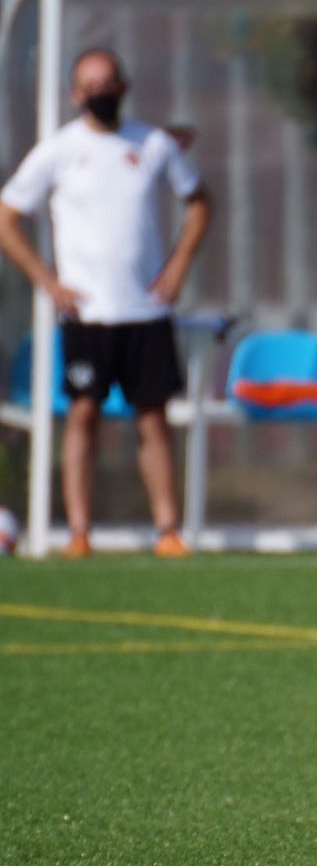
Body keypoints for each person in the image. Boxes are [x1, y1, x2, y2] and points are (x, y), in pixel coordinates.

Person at [0, 47, 211, 558]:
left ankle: (167, 530)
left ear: (125, 86)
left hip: (145, 309)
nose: (99, 94)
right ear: (75, 95)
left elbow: (199, 201)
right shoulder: (58, 151)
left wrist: (180, 263)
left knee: (153, 418)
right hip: (87, 312)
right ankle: (78, 532)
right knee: (83, 415)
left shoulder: (153, 144)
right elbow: (8, 217)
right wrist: (47, 281)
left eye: (107, 84)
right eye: (89, 86)